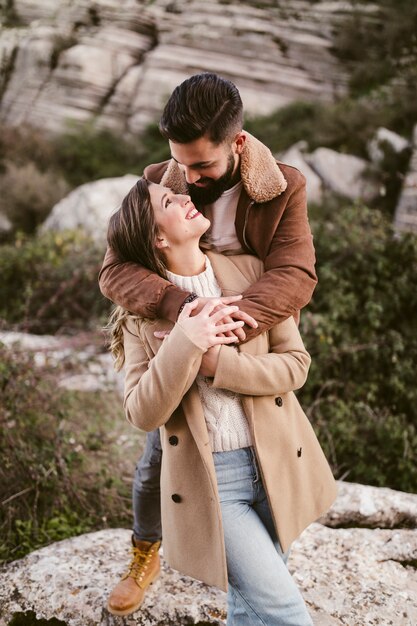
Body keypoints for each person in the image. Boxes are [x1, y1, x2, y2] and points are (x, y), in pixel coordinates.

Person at [100, 72, 318, 616]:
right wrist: (181, 313)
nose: (188, 180)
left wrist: (221, 329)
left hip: (247, 320)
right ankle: (145, 548)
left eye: (202, 166)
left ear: (237, 144)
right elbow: (115, 271)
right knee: (159, 461)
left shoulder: (282, 186)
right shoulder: (162, 181)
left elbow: (293, 275)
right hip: (183, 330)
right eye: (181, 164)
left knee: (258, 591)